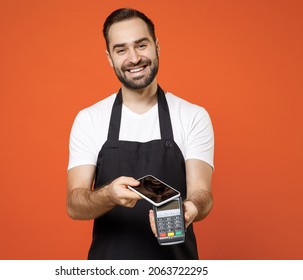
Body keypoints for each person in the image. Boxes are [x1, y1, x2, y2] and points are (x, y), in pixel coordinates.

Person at [67, 8, 214, 260]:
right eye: (121, 49)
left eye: (141, 45)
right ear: (109, 58)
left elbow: (202, 193)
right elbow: (74, 204)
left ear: (156, 46)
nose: (134, 58)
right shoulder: (89, 119)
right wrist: (108, 195)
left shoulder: (193, 115)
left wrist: (191, 208)